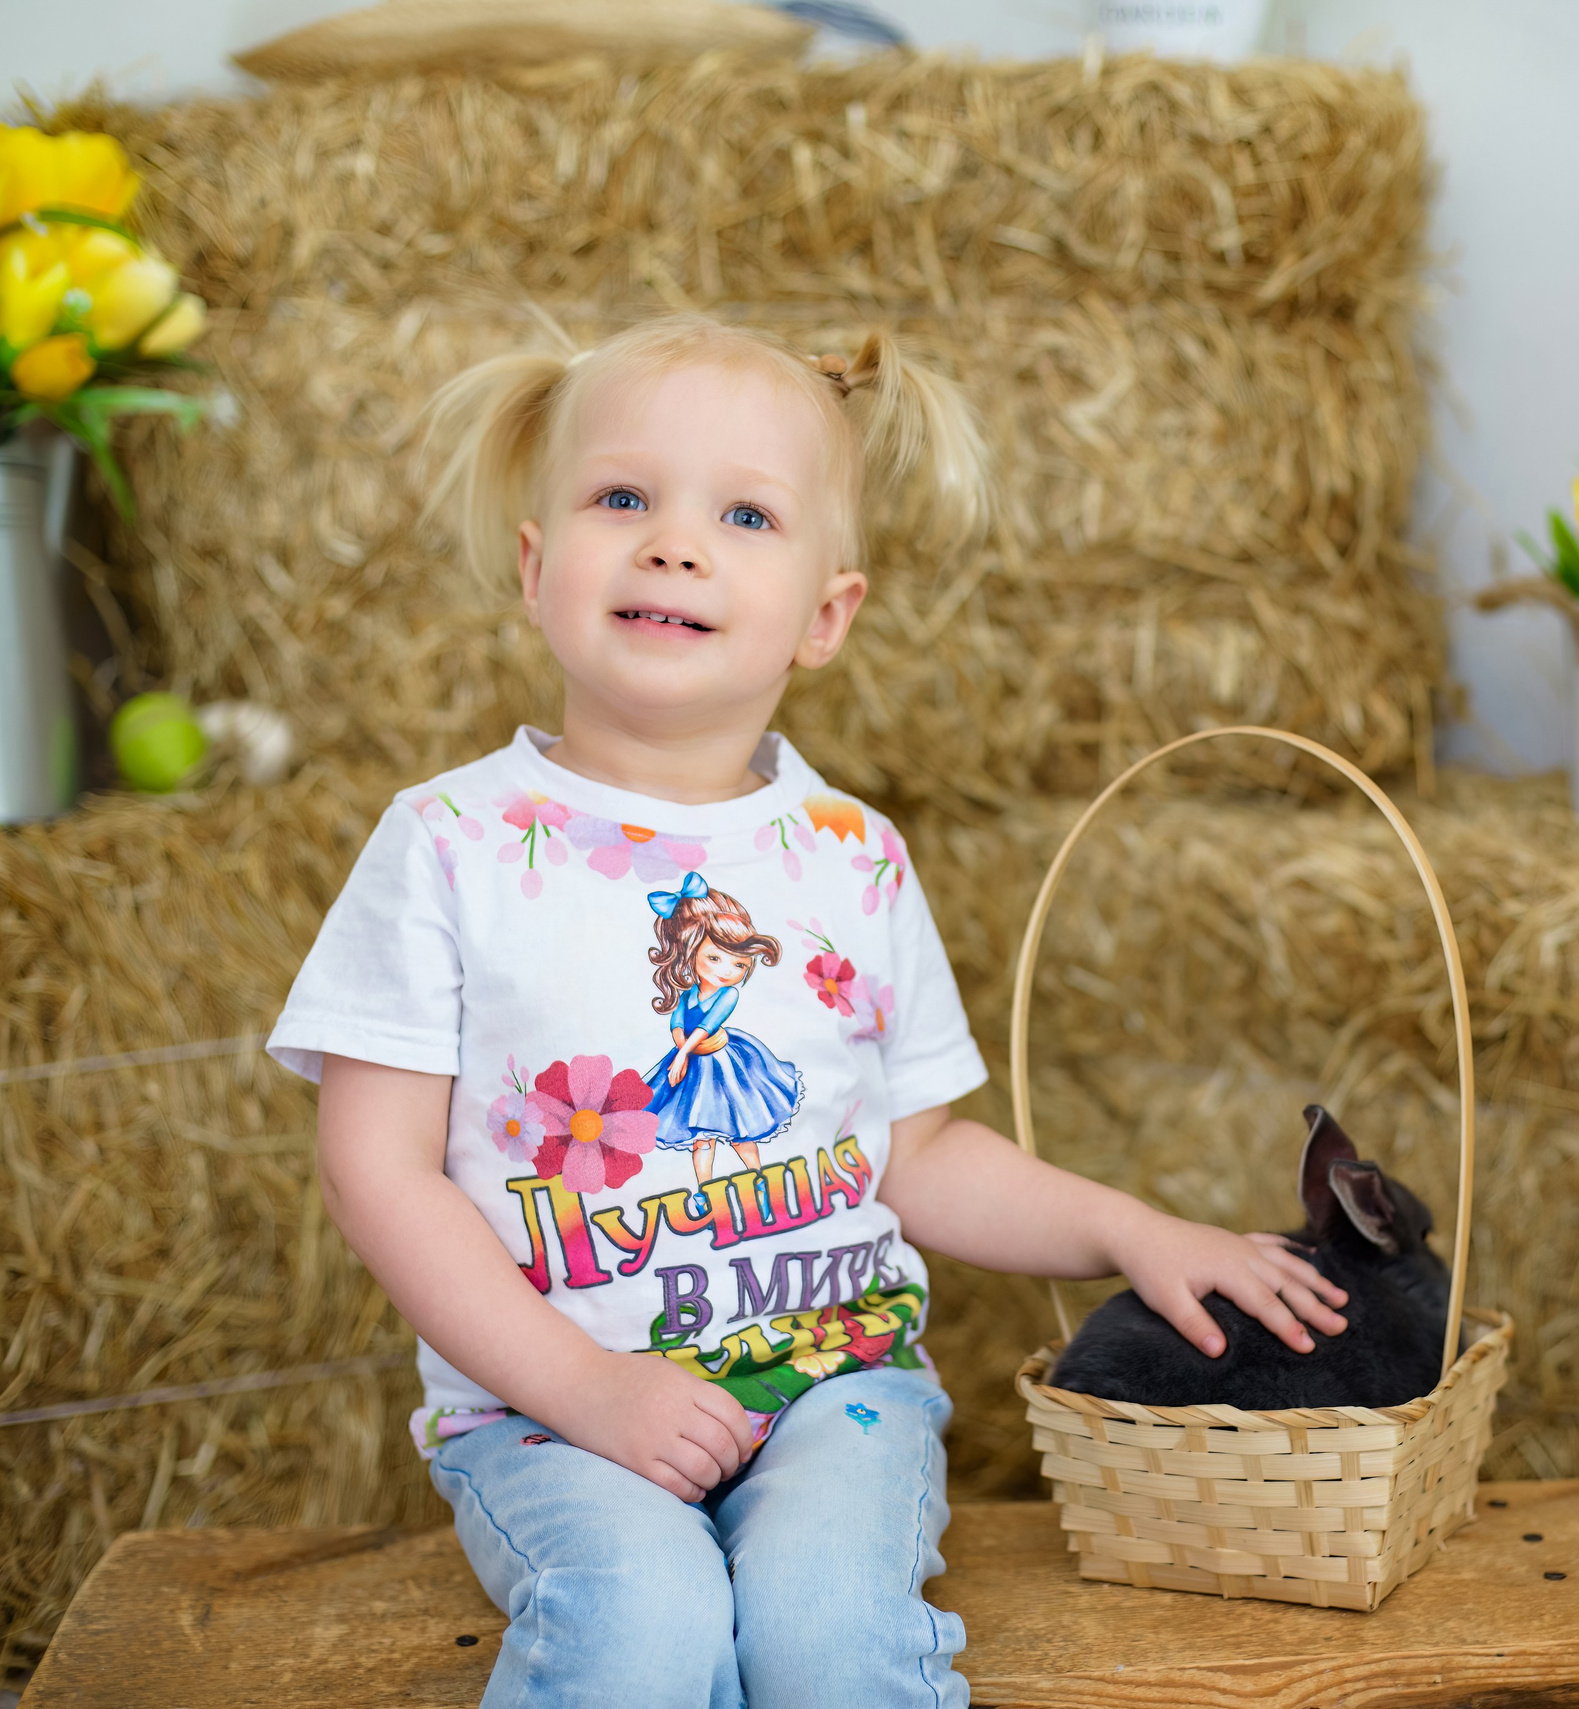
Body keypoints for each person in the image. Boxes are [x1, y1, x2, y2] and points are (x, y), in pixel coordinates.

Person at [266, 315, 1349, 1709]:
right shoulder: (450, 843)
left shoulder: (850, 852)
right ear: (537, 571)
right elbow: (375, 1166)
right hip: (548, 1410)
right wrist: (593, 1389)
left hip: (833, 1392)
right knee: (640, 1620)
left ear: (826, 613)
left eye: (744, 513)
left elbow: (917, 1152)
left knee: (827, 1635)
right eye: (621, 498)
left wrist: (1130, 1227)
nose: (674, 542)